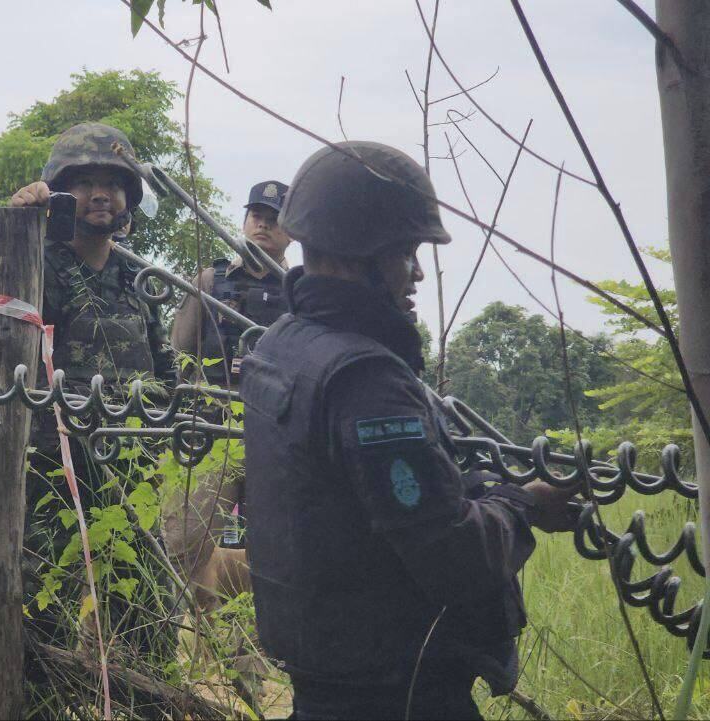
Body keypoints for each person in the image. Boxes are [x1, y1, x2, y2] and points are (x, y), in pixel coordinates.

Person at [240, 141, 578, 719]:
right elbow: (453, 555)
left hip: (322, 679)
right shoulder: (366, 379)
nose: (418, 272)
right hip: (398, 692)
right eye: (406, 253)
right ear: (359, 256)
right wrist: (522, 504)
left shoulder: (279, 345)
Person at [10, 122, 178, 670]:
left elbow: (165, 370)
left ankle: (140, 697)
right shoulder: (37, 264)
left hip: (132, 464)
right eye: (83, 183)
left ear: (130, 199)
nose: (100, 194)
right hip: (53, 464)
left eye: (113, 183)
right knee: (45, 599)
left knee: (142, 600)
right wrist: (20, 221)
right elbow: (4, 336)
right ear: (60, 191)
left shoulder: (140, 279)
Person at [165, 178, 291, 609]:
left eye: (274, 219)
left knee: (273, 551)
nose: (263, 225)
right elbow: (177, 354)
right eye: (257, 216)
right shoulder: (209, 279)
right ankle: (213, 637)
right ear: (244, 219)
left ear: (292, 229)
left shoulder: (301, 291)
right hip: (210, 431)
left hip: (275, 435)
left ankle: (249, 663)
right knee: (185, 539)